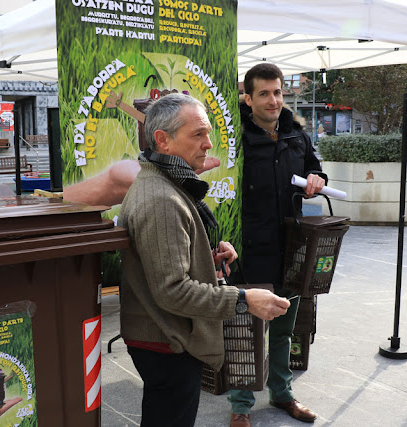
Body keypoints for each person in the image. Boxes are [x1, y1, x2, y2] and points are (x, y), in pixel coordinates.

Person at [118, 92, 290, 427]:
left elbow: (163, 263)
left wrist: (204, 259)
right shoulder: (162, 199)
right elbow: (173, 291)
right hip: (168, 340)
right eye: (198, 134)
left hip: (164, 336)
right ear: (163, 140)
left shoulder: (162, 183)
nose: (208, 144)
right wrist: (245, 299)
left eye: (208, 133)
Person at [229, 63, 327, 427]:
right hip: (249, 248)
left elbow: (316, 170)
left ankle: (282, 393)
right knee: (248, 329)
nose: (273, 100)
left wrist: (317, 178)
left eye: (278, 92)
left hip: (290, 246)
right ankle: (241, 404)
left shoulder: (296, 135)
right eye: (264, 93)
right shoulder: (235, 138)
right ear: (248, 98)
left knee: (285, 325)